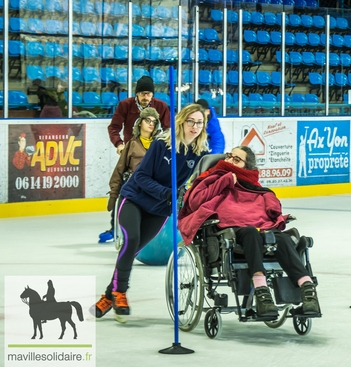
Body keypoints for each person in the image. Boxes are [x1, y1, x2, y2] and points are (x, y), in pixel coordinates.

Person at [93, 103, 210, 322]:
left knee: (132, 250)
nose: (195, 126)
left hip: (159, 209)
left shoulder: (201, 152)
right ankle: (120, 293)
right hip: (135, 199)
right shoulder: (162, 144)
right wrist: (166, 192)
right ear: (182, 121)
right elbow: (141, 177)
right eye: (191, 121)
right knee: (131, 240)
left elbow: (192, 183)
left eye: (199, 122)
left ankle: (109, 295)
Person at [178, 146, 320, 317]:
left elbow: (268, 201)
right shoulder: (213, 177)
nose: (229, 160)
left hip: (260, 226)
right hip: (231, 229)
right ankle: (262, 294)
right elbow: (194, 202)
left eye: (236, 159)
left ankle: (308, 292)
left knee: (281, 238)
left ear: (247, 167)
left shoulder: (253, 185)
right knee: (251, 233)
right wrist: (224, 181)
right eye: (229, 156)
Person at [98, 107, 162, 243]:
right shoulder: (131, 145)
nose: (151, 124)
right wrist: (114, 195)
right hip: (136, 188)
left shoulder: (160, 145)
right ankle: (115, 229)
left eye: (154, 121)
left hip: (154, 188)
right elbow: (119, 170)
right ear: (140, 122)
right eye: (148, 120)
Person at [107, 76, 170, 155]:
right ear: (137, 93)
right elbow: (113, 127)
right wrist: (119, 144)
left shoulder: (161, 106)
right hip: (131, 149)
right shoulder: (125, 105)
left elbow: (168, 129)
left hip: (153, 149)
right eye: (142, 94)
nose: (146, 97)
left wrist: (166, 145)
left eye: (149, 94)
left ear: (152, 94)